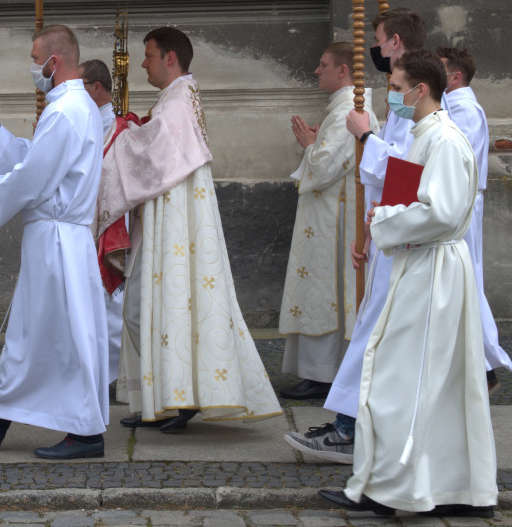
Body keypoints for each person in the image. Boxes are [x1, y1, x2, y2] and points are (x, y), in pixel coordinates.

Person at [319, 49, 497, 519]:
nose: (391, 97)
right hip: (421, 264)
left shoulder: (445, 140)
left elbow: (440, 213)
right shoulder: (425, 135)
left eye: (397, 89)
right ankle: (445, 489)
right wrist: (386, 214)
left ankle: (390, 490)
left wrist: (384, 219)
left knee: (400, 380)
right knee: (425, 385)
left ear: (421, 90)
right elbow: (415, 197)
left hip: (432, 271)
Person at [97, 27, 282, 433]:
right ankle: (165, 400)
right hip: (166, 218)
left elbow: (151, 155)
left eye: (149, 55)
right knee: (146, 308)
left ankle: (179, 400)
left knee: (160, 306)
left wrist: (121, 134)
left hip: (175, 223)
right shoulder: (176, 98)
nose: (143, 63)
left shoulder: (179, 101)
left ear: (170, 58)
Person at [0, 25, 109, 460]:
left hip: (57, 241)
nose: (33, 68)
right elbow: (38, 161)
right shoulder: (72, 107)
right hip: (55, 239)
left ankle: (86, 434)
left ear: (54, 62)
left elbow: (35, 178)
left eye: (36, 60)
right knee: (30, 335)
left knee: (63, 338)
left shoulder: (66, 110)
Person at [285, 8, 424, 462]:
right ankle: (353, 428)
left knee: (374, 335)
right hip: (385, 231)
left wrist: (364, 138)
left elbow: (403, 176)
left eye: (398, 89)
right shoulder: (408, 116)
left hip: (401, 238)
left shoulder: (434, 129)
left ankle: (355, 432)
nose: (391, 96)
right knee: (371, 333)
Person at [278, 42, 379, 401]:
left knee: (327, 294)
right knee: (322, 292)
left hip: (334, 224)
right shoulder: (340, 111)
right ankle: (319, 372)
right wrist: (315, 142)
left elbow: (323, 168)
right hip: (326, 217)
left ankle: (323, 374)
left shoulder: (349, 112)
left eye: (323, 65)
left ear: (343, 71)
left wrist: (310, 144)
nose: (317, 71)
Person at [438, 47, 512, 388]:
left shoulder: (463, 109)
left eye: (440, 70)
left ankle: (482, 367)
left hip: (461, 201)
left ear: (456, 77)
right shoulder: (452, 106)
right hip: (457, 200)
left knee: (463, 282)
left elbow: (456, 158)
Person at [79, 58, 127, 385]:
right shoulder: (86, 122)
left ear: (96, 88)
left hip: (110, 222)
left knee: (111, 301)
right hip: (86, 220)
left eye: (80, 87)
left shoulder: (116, 129)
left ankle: (114, 375)